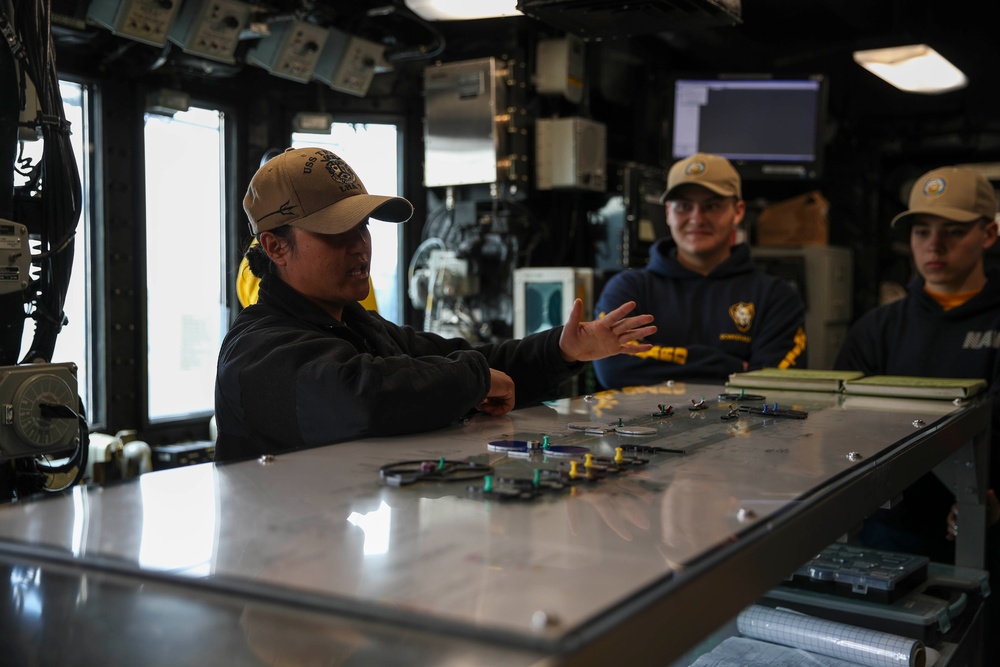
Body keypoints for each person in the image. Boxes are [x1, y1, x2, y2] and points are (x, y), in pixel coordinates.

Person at [214, 147, 656, 462]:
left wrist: (561, 349)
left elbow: (470, 362)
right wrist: (475, 378)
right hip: (272, 573)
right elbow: (361, 398)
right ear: (274, 246)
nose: (359, 246)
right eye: (334, 232)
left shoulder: (360, 326)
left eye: (362, 226)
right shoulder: (256, 350)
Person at [834, 165, 1000, 661]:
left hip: (986, 531)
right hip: (891, 538)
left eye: (954, 232)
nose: (935, 246)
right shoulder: (877, 329)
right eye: (922, 232)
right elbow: (841, 427)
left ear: (989, 233)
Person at [593, 152, 807, 388]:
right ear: (667, 213)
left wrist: (666, 368)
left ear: (738, 211)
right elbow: (613, 367)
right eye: (684, 206)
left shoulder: (776, 297)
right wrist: (732, 367)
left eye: (712, 205)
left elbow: (774, 385)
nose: (697, 218)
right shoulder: (629, 289)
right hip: (642, 426)